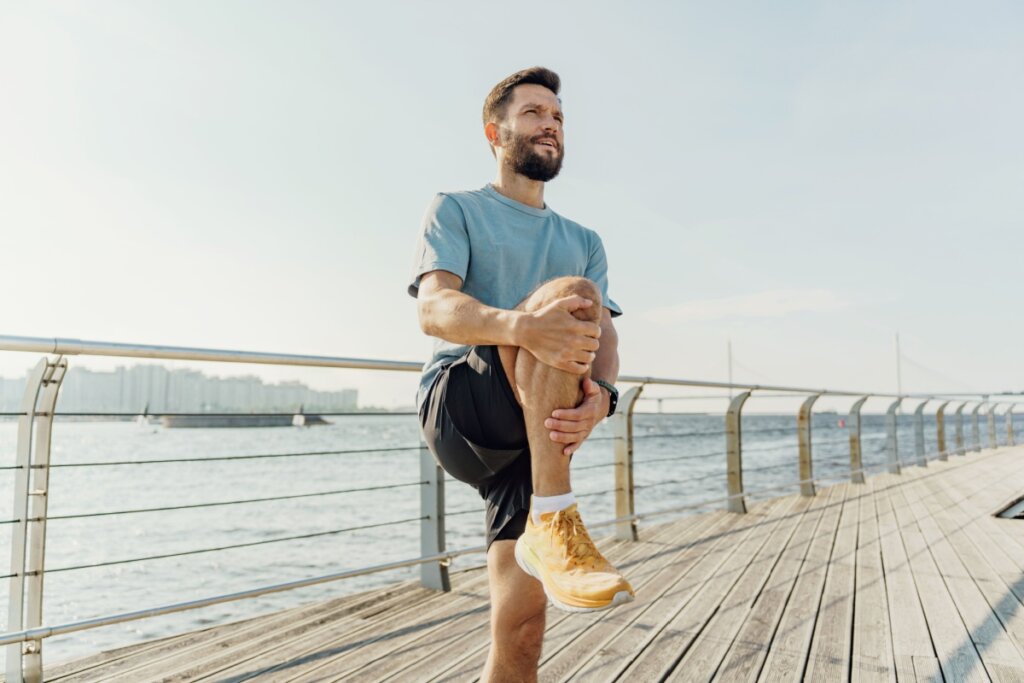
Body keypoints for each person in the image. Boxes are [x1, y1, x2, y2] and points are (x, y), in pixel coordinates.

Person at [409, 66, 633, 681]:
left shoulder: (583, 237)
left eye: (558, 116)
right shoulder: (456, 208)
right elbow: (434, 309)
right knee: (571, 294)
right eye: (534, 113)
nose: (551, 124)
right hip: (462, 404)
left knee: (524, 627)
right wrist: (521, 327)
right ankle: (559, 514)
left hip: (533, 440)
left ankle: (547, 523)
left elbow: (605, 337)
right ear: (494, 131)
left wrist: (604, 400)